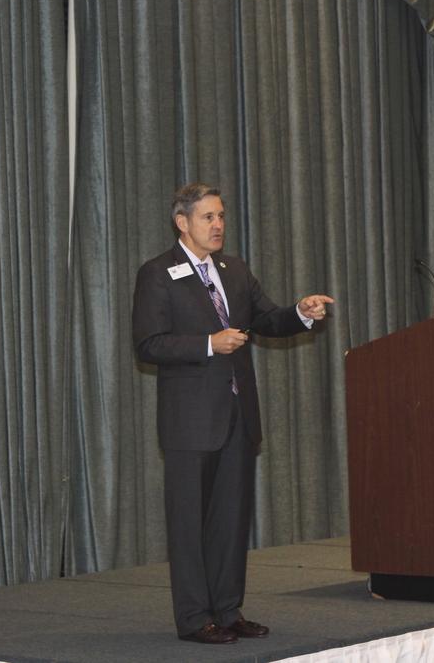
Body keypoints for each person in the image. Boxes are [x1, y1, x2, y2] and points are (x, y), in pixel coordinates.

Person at [132, 182, 334, 644]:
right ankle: (193, 618)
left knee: (229, 520)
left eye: (221, 215)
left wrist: (300, 312)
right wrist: (209, 344)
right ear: (182, 222)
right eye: (208, 217)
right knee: (188, 523)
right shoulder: (158, 273)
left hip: (238, 417)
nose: (218, 224)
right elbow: (148, 343)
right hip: (189, 422)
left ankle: (227, 610)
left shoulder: (235, 269)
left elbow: (265, 319)